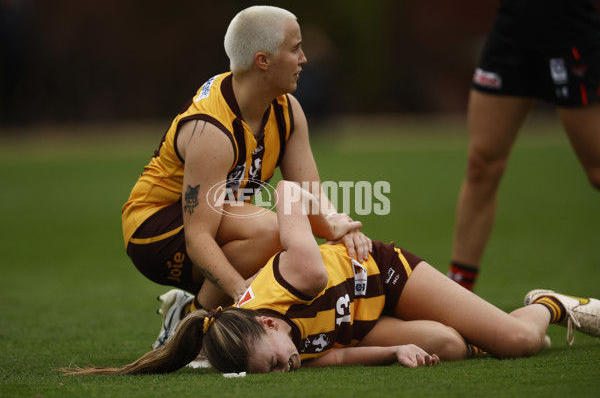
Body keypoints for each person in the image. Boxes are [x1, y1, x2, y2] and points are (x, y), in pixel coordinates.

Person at [62, 181, 600, 375]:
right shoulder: (266, 344)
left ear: (267, 323)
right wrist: (394, 352)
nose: (288, 366)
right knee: (447, 346)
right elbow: (335, 355)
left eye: (277, 361)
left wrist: (337, 224)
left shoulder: (300, 274)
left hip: (382, 278)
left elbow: (291, 191)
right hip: (358, 325)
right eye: (274, 373)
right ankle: (472, 328)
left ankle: (550, 302)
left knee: (520, 342)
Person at [121, 4, 371, 344]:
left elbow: (311, 195)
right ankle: (193, 329)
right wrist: (243, 293)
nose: (305, 59)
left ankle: (188, 317)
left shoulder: (287, 110)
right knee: (273, 228)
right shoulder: (212, 131)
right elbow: (198, 238)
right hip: (153, 230)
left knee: (281, 228)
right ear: (262, 60)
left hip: (212, 221)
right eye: (295, 48)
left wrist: (341, 226)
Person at [448, 0, 600, 290]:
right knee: (482, 163)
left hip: (569, 28)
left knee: (596, 173)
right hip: (512, 30)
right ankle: (457, 289)